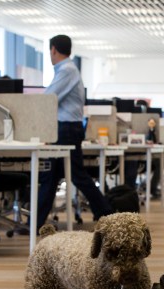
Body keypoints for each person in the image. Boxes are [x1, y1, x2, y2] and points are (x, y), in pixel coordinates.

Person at [37, 35, 113, 230]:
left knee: (73, 175)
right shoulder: (68, 70)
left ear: (53, 49)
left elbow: (49, 98)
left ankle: (106, 213)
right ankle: (36, 222)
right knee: (52, 176)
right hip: (67, 128)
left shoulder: (67, 70)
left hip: (66, 129)